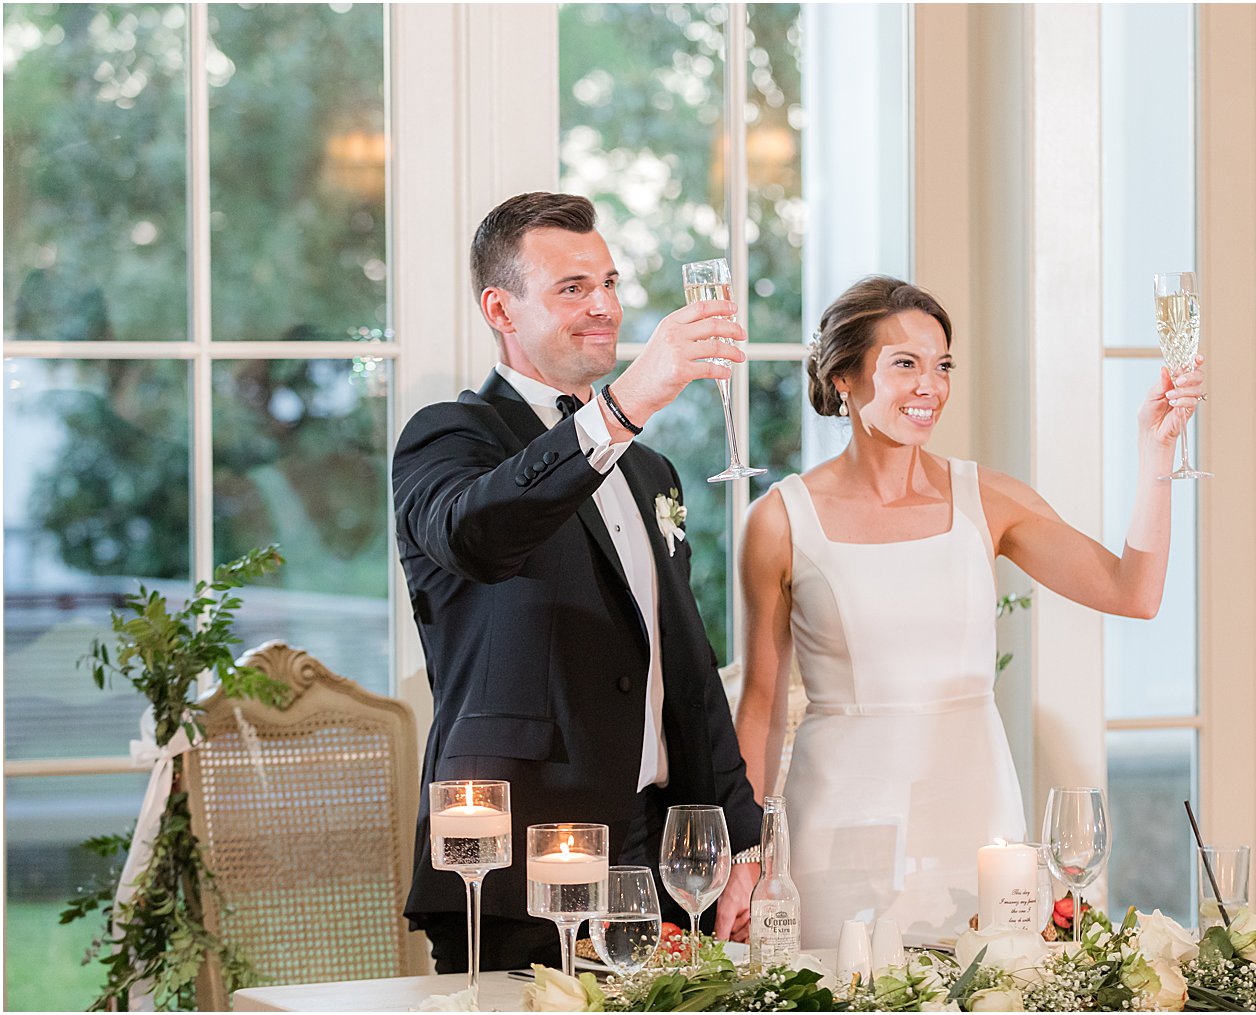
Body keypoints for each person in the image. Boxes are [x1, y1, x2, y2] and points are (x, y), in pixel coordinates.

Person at [735, 276, 1204, 948]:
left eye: (942, 365)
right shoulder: (781, 519)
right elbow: (762, 707)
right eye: (905, 364)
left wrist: (1156, 453)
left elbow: (1134, 592)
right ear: (843, 376)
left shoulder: (987, 499)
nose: (931, 386)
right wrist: (749, 857)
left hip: (976, 818)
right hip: (838, 826)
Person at [394, 192, 763, 971]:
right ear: (500, 307)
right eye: (573, 289)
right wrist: (625, 406)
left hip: (663, 856)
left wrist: (741, 838)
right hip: (518, 851)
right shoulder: (449, 437)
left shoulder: (652, 471)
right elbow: (481, 534)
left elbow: (686, 669)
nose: (604, 307)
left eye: (610, 283)